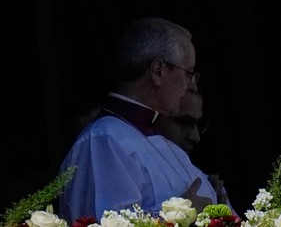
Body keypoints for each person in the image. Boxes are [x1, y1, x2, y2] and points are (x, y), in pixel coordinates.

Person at [58, 17, 223, 222]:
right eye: (188, 73)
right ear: (158, 71)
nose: (192, 86)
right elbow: (103, 223)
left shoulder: (165, 144)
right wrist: (182, 217)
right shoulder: (103, 140)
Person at [155, 90, 232, 208]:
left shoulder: (208, 182)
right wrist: (179, 213)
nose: (195, 137)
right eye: (184, 122)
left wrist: (222, 218)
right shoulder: (127, 155)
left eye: (200, 124)